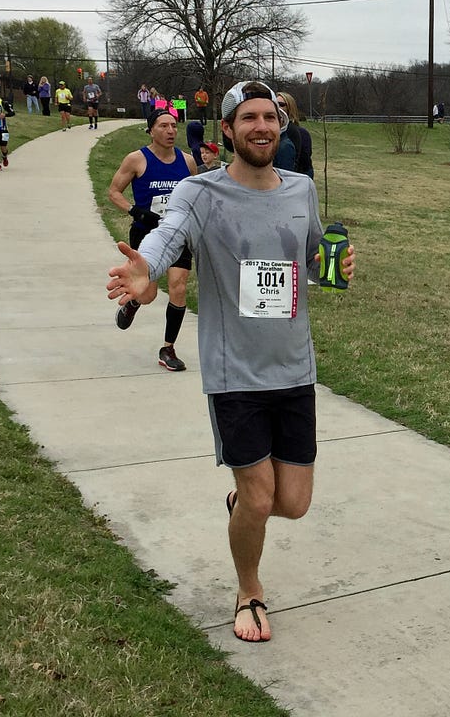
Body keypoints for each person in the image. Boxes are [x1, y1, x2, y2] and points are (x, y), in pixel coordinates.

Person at [106, 79, 355, 643]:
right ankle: (250, 592)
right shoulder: (200, 192)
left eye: (270, 116)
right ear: (227, 128)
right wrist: (144, 272)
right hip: (234, 372)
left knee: (291, 504)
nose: (262, 126)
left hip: (294, 367)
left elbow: (313, 260)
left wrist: (333, 266)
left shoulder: (301, 191)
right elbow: (167, 240)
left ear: (281, 125)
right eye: (249, 118)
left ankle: (243, 503)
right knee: (263, 496)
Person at [108, 108, 198, 371]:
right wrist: (136, 211)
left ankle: (168, 348)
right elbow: (114, 192)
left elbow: (196, 196)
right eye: (163, 126)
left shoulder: (187, 161)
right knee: (147, 294)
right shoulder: (136, 159)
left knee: (178, 286)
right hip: (146, 233)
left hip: (178, 234)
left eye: (173, 126)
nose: (170, 131)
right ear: (150, 130)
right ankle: (134, 303)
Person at [277, 91, 314, 179]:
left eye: (281, 104)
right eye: (274, 104)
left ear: (290, 107)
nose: (277, 107)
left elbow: (305, 163)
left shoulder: (300, 133)